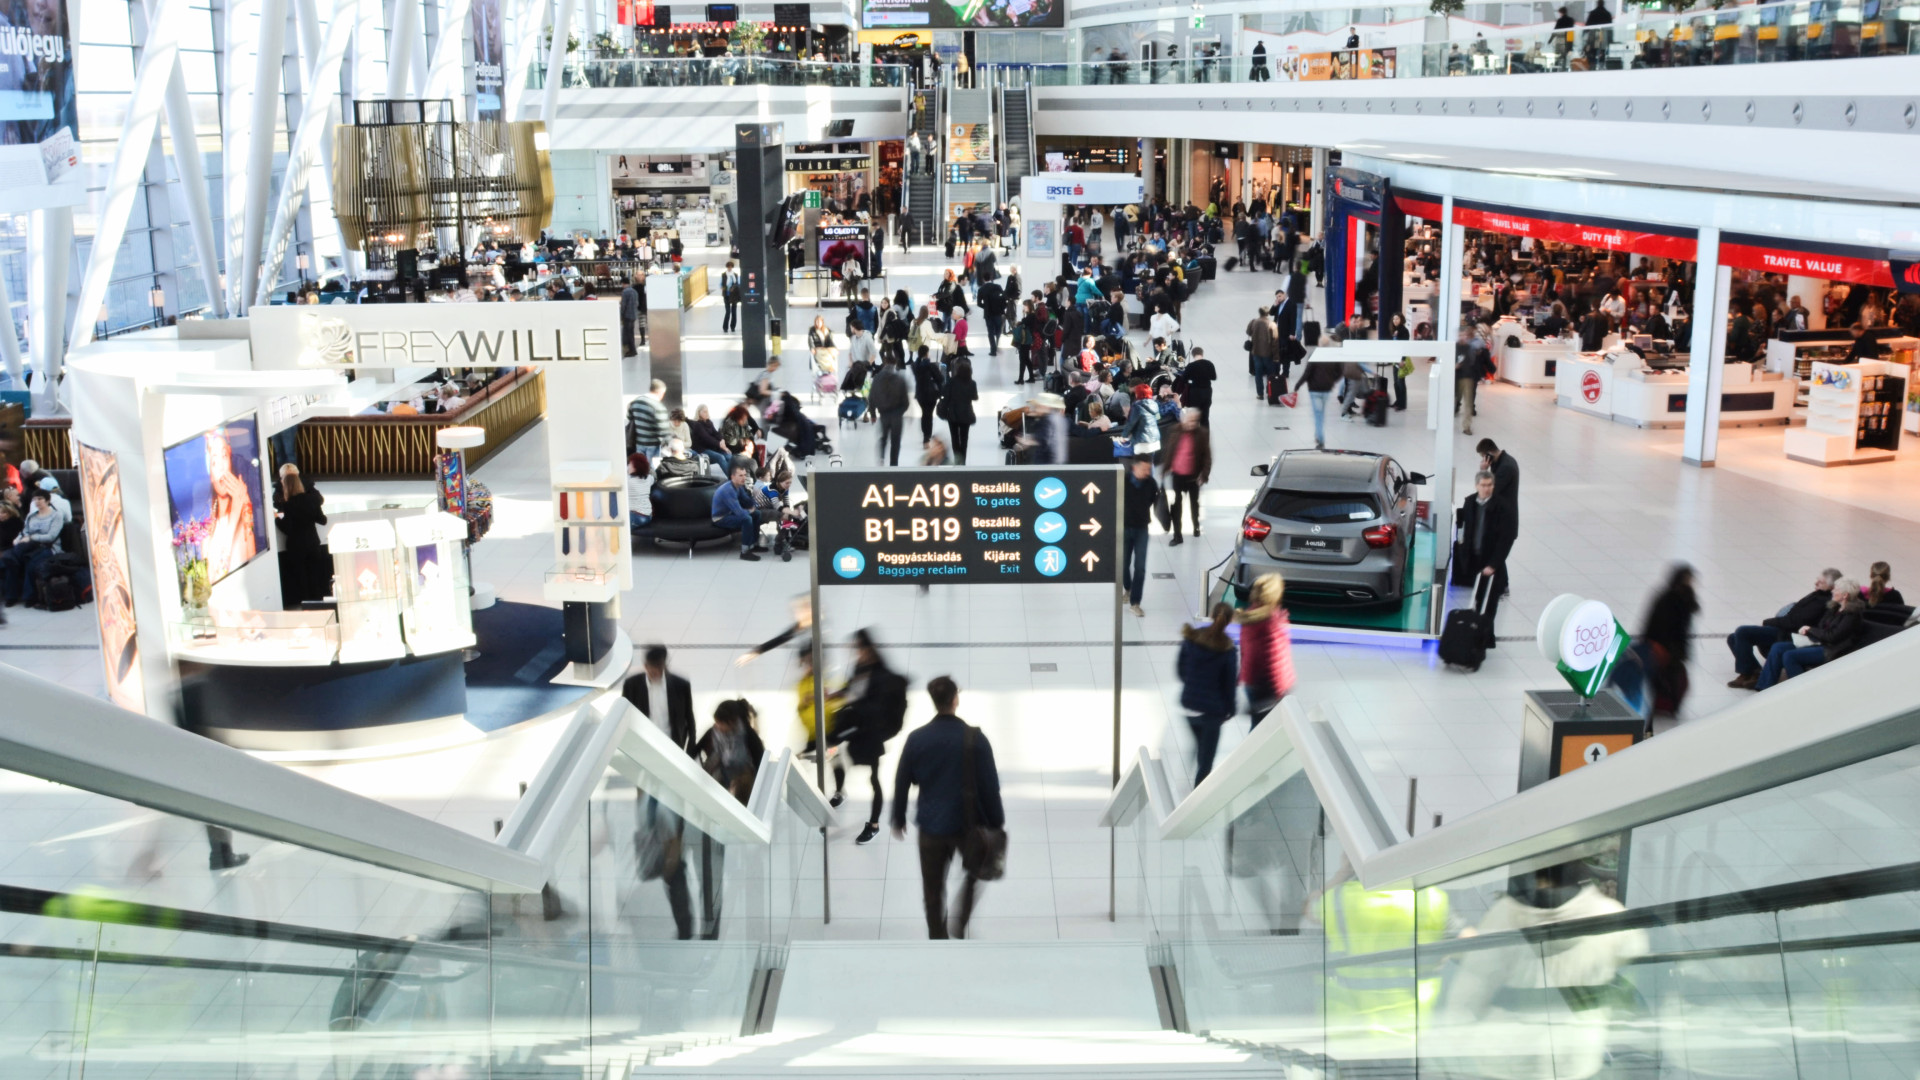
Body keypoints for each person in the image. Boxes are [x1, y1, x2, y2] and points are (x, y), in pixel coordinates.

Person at [890, 676, 1004, 941]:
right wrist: (996, 822)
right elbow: (990, 785)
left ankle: (937, 936)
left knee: (932, 888)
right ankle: (959, 920)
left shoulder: (917, 739)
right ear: (955, 699)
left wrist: (898, 817)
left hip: (931, 826)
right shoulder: (975, 738)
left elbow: (902, 779)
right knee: (976, 872)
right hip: (969, 825)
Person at [828, 629, 908, 845]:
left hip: (871, 730)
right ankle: (839, 791)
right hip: (858, 723)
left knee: (874, 777)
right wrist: (837, 694)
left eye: (859, 649)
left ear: (868, 649)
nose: (856, 653)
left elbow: (876, 709)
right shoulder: (860, 667)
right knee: (831, 745)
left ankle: (874, 824)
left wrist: (854, 702)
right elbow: (852, 688)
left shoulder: (883, 677)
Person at [1726, 568, 1842, 688]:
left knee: (1743, 632)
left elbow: (1795, 622)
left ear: (1831, 586)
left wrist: (1768, 622)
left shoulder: (1822, 601)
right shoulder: (1817, 595)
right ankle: (1753, 672)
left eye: (1820, 582)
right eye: (1817, 580)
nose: (1816, 583)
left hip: (1788, 634)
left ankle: (1747, 673)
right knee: (1733, 638)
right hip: (1785, 629)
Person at [1755, 578, 1866, 690]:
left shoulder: (1852, 615)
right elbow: (1821, 627)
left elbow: (1832, 636)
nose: (1832, 591)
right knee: (1778, 647)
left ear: (1845, 595)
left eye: (1836, 589)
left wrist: (1810, 630)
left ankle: (1801, 690)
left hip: (1831, 650)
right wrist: (1810, 631)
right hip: (1818, 642)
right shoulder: (1834, 607)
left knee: (1790, 656)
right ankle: (1764, 687)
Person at [1178, 603, 1239, 786]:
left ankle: (1190, 772)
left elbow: (1180, 670)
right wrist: (1231, 709)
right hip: (1212, 712)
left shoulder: (1192, 638)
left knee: (1201, 746)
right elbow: (1229, 685)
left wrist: (1192, 685)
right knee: (1206, 761)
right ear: (1229, 621)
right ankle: (1197, 798)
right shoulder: (1227, 649)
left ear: (1211, 615)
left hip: (1189, 706)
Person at [1458, 471, 1517, 647]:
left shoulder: (1502, 507)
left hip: (1491, 562)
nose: (1487, 489)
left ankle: (1486, 638)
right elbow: (1464, 529)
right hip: (1474, 559)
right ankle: (1476, 633)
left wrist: (1493, 564)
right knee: (1476, 600)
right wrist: (1462, 552)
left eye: (1490, 485)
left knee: (1490, 603)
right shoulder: (1469, 502)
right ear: (1477, 486)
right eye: (1483, 485)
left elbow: (1505, 540)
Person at [1640, 564, 1698, 719]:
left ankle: (1670, 705)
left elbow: (1685, 623)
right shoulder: (1667, 598)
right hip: (1660, 646)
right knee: (1662, 677)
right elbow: (1659, 626)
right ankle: (1658, 704)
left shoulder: (1685, 596)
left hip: (1674, 647)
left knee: (1673, 678)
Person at [1236, 573, 1294, 724]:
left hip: (1253, 683)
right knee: (1264, 729)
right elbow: (1274, 659)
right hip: (1268, 687)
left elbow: (1245, 652)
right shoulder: (1270, 623)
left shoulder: (1250, 615)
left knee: (1259, 726)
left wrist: (1241, 676)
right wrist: (1279, 690)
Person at [621, 644, 696, 755]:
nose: (654, 672)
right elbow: (624, 713)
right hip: (643, 743)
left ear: (664, 666)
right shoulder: (632, 684)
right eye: (650, 668)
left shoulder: (681, 685)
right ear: (645, 666)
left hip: (672, 744)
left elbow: (689, 716)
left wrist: (691, 746)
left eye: (658, 668)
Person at [272, 463, 330, 605]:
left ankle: (307, 607)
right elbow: (323, 520)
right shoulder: (311, 500)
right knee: (315, 577)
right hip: (313, 543)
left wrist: (277, 519)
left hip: (296, 547)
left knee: (302, 579)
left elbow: (287, 528)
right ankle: (319, 605)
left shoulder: (287, 505)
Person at [1, 490, 61, 606]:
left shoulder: (56, 515)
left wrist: (32, 537)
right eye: (35, 499)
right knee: (11, 563)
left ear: (47, 500)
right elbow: (24, 532)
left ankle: (29, 597)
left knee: (30, 564)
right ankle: (11, 597)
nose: (37, 502)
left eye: (40, 499)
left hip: (47, 547)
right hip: (29, 547)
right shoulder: (31, 516)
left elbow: (51, 536)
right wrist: (18, 539)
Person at [1163, 409, 1210, 546]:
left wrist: (1204, 475)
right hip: (1177, 476)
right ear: (1183, 419)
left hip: (1193, 476)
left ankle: (1196, 525)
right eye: (1189, 420)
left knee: (1193, 503)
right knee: (1177, 506)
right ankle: (1178, 535)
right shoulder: (1174, 431)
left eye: (1195, 421)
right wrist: (1166, 468)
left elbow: (1207, 456)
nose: (1192, 423)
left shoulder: (1202, 434)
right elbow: (1169, 451)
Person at [1121, 458, 1156, 617]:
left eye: (1149, 469)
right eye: (1145, 469)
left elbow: (1153, 501)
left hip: (1142, 529)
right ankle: (1127, 587)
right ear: (1135, 468)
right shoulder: (1123, 481)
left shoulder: (1151, 483)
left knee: (1140, 567)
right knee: (1123, 564)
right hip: (1124, 528)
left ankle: (1135, 602)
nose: (1147, 473)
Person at [711, 464, 764, 561]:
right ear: (732, 477)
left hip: (730, 513)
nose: (744, 478)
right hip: (721, 518)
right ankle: (745, 552)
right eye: (740, 475)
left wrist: (755, 504)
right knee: (747, 519)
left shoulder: (739, 486)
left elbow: (747, 500)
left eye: (744, 475)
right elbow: (739, 513)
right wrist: (750, 510)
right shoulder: (728, 490)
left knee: (757, 514)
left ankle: (753, 544)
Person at [869, 355, 911, 466]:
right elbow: (906, 401)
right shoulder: (900, 379)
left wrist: (873, 413)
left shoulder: (877, 378)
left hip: (883, 414)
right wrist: (901, 411)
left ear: (884, 363)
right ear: (895, 364)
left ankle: (882, 458)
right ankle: (894, 464)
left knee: (883, 437)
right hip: (897, 415)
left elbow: (872, 397)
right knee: (895, 441)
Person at [1293, 357, 1343, 450]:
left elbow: (1306, 374)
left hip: (1315, 390)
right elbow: (1340, 371)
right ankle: (1318, 434)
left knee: (1318, 415)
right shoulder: (1332, 359)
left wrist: (1298, 385)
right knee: (1321, 414)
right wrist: (1332, 380)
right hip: (1326, 390)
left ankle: (1320, 439)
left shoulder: (1314, 358)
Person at [1454, 327, 1495, 436]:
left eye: (1465, 335)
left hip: (1468, 377)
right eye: (1461, 335)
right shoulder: (1454, 347)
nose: (1463, 337)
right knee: (1454, 399)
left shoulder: (1470, 348)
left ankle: (1467, 426)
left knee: (1468, 403)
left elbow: (1473, 362)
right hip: (1456, 378)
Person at [939, 360, 979, 464]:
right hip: (966, 414)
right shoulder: (972, 383)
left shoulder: (952, 382)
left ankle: (958, 459)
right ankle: (963, 461)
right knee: (964, 438)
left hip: (953, 414)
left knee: (954, 437)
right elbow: (975, 397)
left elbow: (945, 394)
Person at [1476, 438, 1519, 526]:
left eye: (1483, 457)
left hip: (1504, 523)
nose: (1483, 460)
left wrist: (1483, 471)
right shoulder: (1501, 462)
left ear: (1489, 454)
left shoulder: (1505, 467)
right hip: (1501, 518)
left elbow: (1488, 492)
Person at [910, 344, 946, 446]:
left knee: (924, 413)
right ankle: (927, 436)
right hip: (931, 394)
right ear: (927, 353)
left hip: (920, 394)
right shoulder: (931, 366)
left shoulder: (915, 366)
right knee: (929, 414)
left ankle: (925, 434)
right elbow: (940, 378)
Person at [628, 379, 670, 460]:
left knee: (641, 467)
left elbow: (630, 417)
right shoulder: (658, 406)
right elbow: (663, 430)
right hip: (653, 445)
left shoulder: (636, 401)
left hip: (639, 443)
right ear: (660, 392)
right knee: (652, 469)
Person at [1180, 345, 1217, 427]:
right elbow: (1214, 377)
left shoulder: (1191, 366)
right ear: (1202, 354)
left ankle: (1196, 436)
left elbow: (1184, 379)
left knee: (1195, 416)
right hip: (1207, 391)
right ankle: (1205, 437)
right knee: (1205, 417)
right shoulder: (1209, 364)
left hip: (1195, 392)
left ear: (1193, 355)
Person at [619, 279, 643, 356]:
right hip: (633, 315)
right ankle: (633, 350)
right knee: (631, 333)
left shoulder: (625, 292)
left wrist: (621, 315)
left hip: (627, 315)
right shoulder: (634, 291)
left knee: (627, 333)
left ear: (623, 283)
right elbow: (637, 303)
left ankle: (631, 350)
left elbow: (623, 305)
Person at [719, 260, 741, 333]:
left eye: (731, 267)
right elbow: (721, 284)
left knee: (734, 312)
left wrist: (733, 287)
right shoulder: (723, 275)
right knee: (728, 312)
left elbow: (738, 283)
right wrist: (724, 288)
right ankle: (725, 327)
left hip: (734, 295)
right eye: (728, 267)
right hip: (727, 295)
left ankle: (733, 327)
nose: (729, 268)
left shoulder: (735, 275)